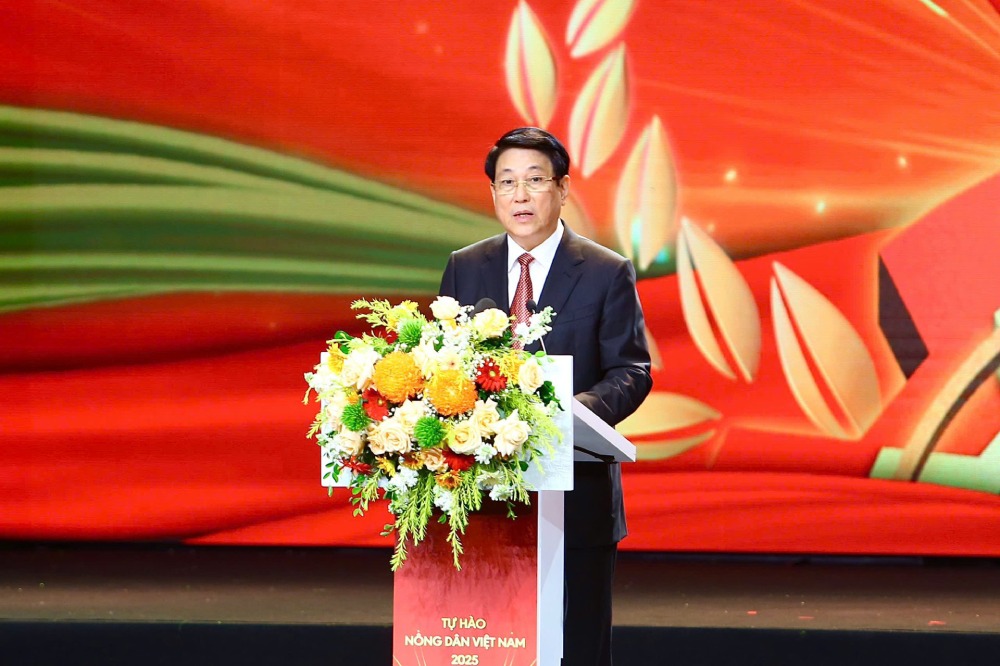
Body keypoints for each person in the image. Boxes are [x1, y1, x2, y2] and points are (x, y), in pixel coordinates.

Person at [439, 127, 652, 666]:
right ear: (492, 194)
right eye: (506, 182)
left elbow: (631, 369)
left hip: (575, 496)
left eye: (535, 181)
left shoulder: (606, 271)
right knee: (487, 648)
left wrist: (579, 409)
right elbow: (442, 368)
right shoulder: (466, 267)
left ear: (562, 189)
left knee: (576, 647)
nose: (520, 195)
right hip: (481, 494)